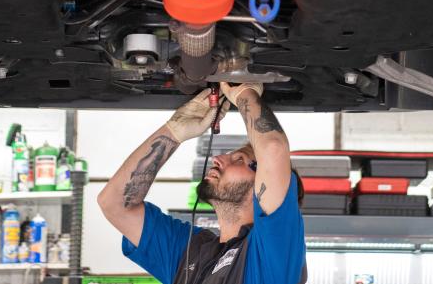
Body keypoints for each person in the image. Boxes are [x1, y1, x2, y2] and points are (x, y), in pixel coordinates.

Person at [97, 82, 305, 284]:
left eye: (239, 159)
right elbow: (114, 203)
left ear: (262, 183)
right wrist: (174, 131)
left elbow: (272, 148)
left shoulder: (272, 253)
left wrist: (244, 93)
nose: (219, 159)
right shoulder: (192, 252)